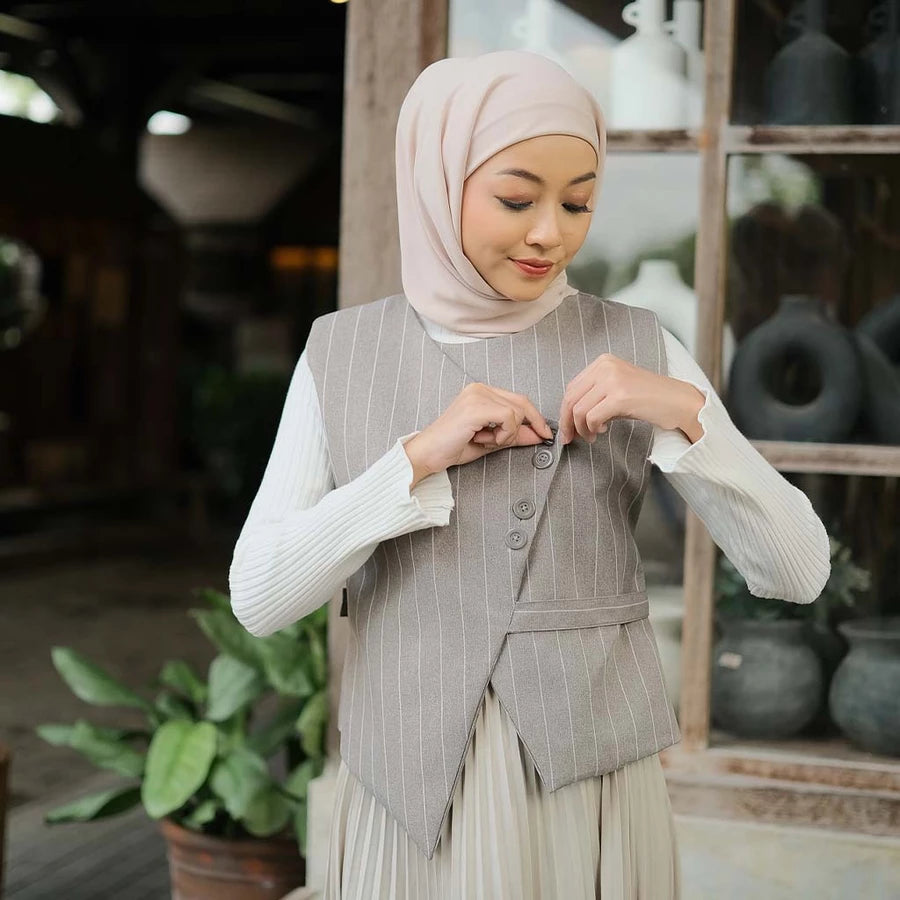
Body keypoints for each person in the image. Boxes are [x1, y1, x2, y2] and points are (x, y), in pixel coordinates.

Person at [229, 50, 831, 899]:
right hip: (405, 798)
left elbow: (800, 572)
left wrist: (687, 413)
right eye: (517, 200)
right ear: (438, 183)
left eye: (578, 202)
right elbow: (258, 598)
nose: (552, 233)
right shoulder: (341, 352)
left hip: (585, 797)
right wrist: (413, 462)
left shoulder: (640, 346)